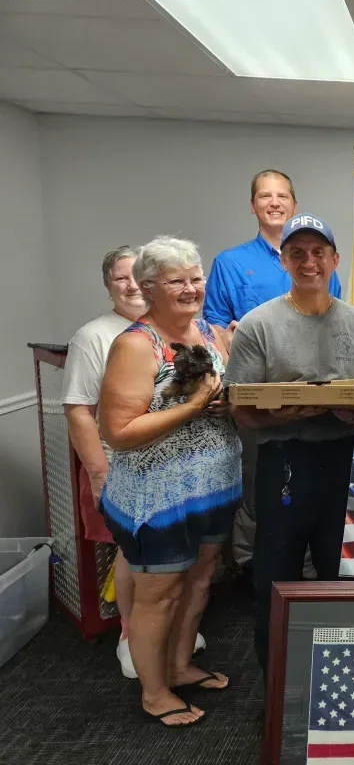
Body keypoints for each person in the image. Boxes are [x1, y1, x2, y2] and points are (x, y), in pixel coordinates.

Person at [225, 213, 354, 672]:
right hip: (282, 461)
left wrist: (350, 409)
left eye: (318, 253)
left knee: (344, 573)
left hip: (346, 462)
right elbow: (242, 407)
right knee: (276, 576)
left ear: (334, 260)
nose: (309, 262)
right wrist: (280, 414)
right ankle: (277, 686)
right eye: (297, 253)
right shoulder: (258, 325)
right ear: (284, 260)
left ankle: (343, 676)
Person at [99, 236, 240, 727]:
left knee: (199, 581)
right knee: (159, 594)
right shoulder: (136, 346)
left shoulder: (209, 331)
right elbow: (118, 432)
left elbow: (218, 394)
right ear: (149, 287)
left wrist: (224, 402)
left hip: (214, 486)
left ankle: (179, 667)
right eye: (176, 280)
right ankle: (154, 692)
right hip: (156, 498)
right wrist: (196, 405)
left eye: (195, 277)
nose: (190, 288)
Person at [63, 246, 206, 679]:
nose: (132, 286)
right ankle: (131, 637)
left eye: (138, 276)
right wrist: (99, 473)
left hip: (185, 472)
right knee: (134, 558)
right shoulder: (97, 336)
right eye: (121, 278)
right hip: (128, 470)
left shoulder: (186, 329)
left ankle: (170, 640)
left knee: (174, 564)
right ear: (111, 285)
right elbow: (78, 410)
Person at [202, 170, 342, 575]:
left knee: (322, 514)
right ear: (253, 205)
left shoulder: (322, 261)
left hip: (323, 415)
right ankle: (253, 572)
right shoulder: (231, 262)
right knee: (260, 498)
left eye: (283, 195)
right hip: (260, 408)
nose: (274, 202)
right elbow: (215, 326)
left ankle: (313, 575)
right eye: (265, 195)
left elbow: (333, 317)